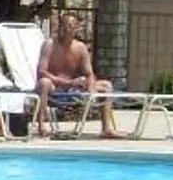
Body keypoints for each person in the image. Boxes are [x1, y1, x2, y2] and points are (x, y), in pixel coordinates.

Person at [40, 10, 121, 138]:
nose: (67, 29)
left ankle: (106, 128)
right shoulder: (49, 45)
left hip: (74, 89)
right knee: (44, 82)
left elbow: (89, 73)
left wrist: (90, 87)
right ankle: (42, 125)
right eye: (64, 25)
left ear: (76, 28)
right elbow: (42, 72)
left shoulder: (80, 48)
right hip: (55, 88)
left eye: (71, 26)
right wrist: (68, 82)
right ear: (59, 26)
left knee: (106, 86)